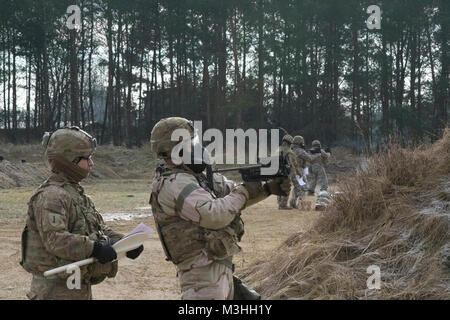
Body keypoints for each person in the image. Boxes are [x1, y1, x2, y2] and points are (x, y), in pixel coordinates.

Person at [149, 117, 291, 300]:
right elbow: (215, 214)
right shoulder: (173, 183)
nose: (196, 148)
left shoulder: (193, 175)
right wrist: (246, 191)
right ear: (175, 149)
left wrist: (268, 188)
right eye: (190, 143)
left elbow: (232, 196)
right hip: (201, 279)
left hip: (218, 273)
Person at [20, 127, 143, 300]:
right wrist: (95, 249)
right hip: (54, 291)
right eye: (87, 158)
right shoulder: (52, 196)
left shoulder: (75, 193)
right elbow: (55, 240)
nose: (91, 163)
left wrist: (124, 242)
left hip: (76, 286)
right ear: (69, 161)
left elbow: (98, 228)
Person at [290, 135, 321, 208]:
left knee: (297, 187)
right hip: (298, 171)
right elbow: (310, 158)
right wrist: (317, 155)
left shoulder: (292, 150)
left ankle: (293, 202)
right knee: (303, 187)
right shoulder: (300, 151)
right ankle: (301, 203)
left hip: (292, 171)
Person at [276, 134, 301, 210]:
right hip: (287, 172)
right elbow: (294, 164)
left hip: (277, 172)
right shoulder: (290, 152)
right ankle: (284, 205)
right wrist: (298, 173)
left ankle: (280, 203)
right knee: (288, 187)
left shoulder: (277, 150)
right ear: (290, 143)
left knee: (280, 187)